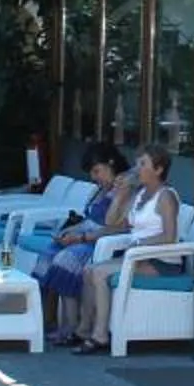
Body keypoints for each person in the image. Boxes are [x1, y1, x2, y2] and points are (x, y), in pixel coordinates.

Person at [71, 142, 181, 356]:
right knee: (89, 270)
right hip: (137, 257)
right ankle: (85, 329)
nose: (137, 168)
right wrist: (120, 195)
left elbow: (170, 237)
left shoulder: (166, 196)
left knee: (100, 273)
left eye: (143, 164)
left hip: (160, 262)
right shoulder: (140, 195)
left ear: (158, 170)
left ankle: (100, 335)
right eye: (137, 163)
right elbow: (113, 223)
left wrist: (140, 245)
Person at [38, 143, 128, 346]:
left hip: (104, 243)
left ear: (111, 163)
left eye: (97, 171)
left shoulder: (123, 190)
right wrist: (71, 230)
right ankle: (48, 320)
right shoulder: (101, 190)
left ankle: (72, 326)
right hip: (86, 236)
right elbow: (88, 218)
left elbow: (118, 227)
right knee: (48, 254)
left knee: (67, 259)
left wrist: (81, 237)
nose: (94, 177)